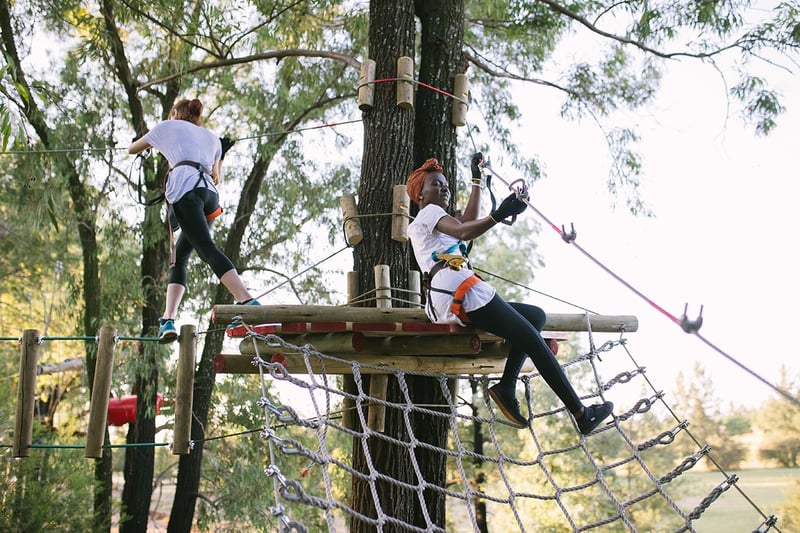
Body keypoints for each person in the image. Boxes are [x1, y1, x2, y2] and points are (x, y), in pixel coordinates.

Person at [406, 154, 613, 435]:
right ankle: (580, 413)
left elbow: (467, 221)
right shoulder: (429, 212)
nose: (444, 188)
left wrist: (476, 180)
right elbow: (466, 230)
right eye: (435, 184)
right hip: (456, 286)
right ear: (420, 193)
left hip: (449, 292)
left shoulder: (437, 222)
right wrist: (499, 214)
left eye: (445, 184)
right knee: (531, 338)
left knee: (534, 317)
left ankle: (507, 386)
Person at [128, 98, 258, 343]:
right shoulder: (212, 138)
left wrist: (150, 145)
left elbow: (132, 149)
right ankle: (168, 320)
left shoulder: (167, 126)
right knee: (180, 257)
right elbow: (216, 176)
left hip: (186, 191)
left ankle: (247, 301)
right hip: (209, 195)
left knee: (207, 250)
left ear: (176, 112)